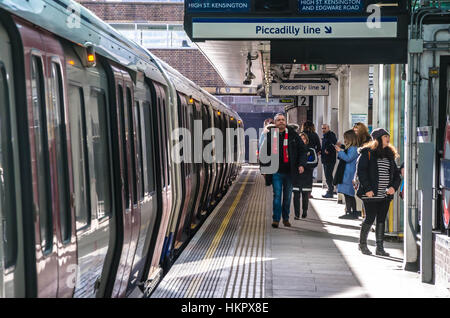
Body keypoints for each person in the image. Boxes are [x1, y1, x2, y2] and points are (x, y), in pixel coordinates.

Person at [355, 128, 401, 256]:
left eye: (388, 136)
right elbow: (361, 172)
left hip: (385, 195)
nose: (388, 138)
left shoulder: (389, 155)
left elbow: (396, 175)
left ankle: (379, 248)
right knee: (369, 218)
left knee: (381, 220)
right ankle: (362, 244)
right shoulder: (368, 153)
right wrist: (368, 189)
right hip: (370, 194)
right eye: (386, 136)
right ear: (378, 138)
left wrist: (393, 187)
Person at [260, 113, 307, 228]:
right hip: (276, 171)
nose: (281, 122)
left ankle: (286, 218)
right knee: (277, 196)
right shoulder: (271, 135)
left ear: (285, 122)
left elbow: (303, 151)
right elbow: (264, 153)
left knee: (287, 197)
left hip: (290, 172)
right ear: (275, 123)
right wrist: (264, 169)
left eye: (283, 120)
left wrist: (301, 164)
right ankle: (276, 219)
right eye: (278, 120)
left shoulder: (293, 135)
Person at [334, 130, 359, 219]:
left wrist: (339, 151)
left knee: (349, 194)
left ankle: (352, 212)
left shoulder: (353, 148)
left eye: (345, 138)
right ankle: (350, 212)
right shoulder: (352, 148)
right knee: (347, 194)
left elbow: (348, 158)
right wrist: (341, 150)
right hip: (347, 173)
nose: (344, 140)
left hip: (349, 173)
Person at [293, 133, 318, 219]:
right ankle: (296, 214)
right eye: (300, 139)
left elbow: (314, 162)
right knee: (296, 195)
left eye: (304, 139)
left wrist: (303, 165)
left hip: (307, 176)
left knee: (305, 196)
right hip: (296, 176)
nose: (302, 140)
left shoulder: (311, 150)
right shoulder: (294, 150)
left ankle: (304, 211)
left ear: (306, 140)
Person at [321, 124, 337, 198]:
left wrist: (328, 150)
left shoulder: (331, 135)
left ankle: (330, 191)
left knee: (328, 175)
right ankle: (330, 190)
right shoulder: (324, 136)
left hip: (330, 159)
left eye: (324, 128)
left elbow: (333, 144)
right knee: (327, 175)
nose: (323, 130)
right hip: (325, 159)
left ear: (328, 128)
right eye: (322, 128)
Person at [259, 118, 274, 186]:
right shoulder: (265, 134)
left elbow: (260, 144)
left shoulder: (264, 134)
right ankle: (268, 181)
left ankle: (268, 181)